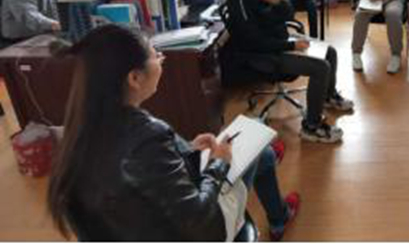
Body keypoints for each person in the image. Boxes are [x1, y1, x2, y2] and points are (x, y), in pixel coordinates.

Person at [47, 24, 300, 241]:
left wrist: (186, 152)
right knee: (253, 142)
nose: (161, 58)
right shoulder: (148, 136)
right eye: (154, 54)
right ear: (134, 78)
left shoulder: (78, 134)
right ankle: (279, 217)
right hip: (202, 231)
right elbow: (203, 224)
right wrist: (218, 163)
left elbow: (145, 177)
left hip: (140, 228)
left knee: (263, 154)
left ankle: (278, 213)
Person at [226, 0, 354, 144]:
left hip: (279, 40)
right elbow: (253, 41)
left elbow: (288, 13)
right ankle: (311, 127)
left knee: (330, 51)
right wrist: (291, 45)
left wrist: (278, 2)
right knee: (321, 68)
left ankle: (329, 96)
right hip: (263, 53)